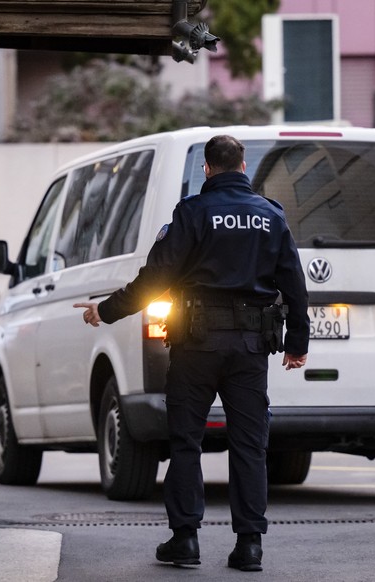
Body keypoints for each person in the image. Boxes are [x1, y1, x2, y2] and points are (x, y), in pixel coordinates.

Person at [75, 134, 309, 571]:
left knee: (186, 441)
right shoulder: (272, 216)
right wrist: (297, 343)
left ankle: (185, 540)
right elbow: (294, 284)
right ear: (243, 167)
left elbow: (154, 279)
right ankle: (249, 546)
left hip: (196, 345)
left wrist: (105, 311)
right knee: (249, 445)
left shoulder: (192, 213)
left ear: (207, 169)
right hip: (249, 349)